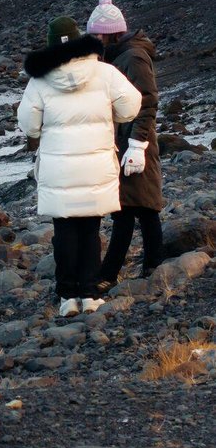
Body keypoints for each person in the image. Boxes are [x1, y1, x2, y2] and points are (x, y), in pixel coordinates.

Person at [18, 16, 141, 317]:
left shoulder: (40, 80)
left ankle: (67, 297)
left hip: (59, 167)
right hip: (96, 162)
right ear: (78, 39)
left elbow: (28, 125)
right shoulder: (105, 72)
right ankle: (89, 293)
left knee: (64, 230)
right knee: (91, 227)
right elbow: (131, 105)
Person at [87, 0, 165, 286]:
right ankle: (152, 267)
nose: (94, 39)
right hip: (124, 140)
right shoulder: (117, 55)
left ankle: (111, 275)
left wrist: (137, 145)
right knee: (141, 207)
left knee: (132, 209)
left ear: (111, 33)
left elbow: (148, 101)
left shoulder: (132, 57)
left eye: (97, 34)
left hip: (135, 142)